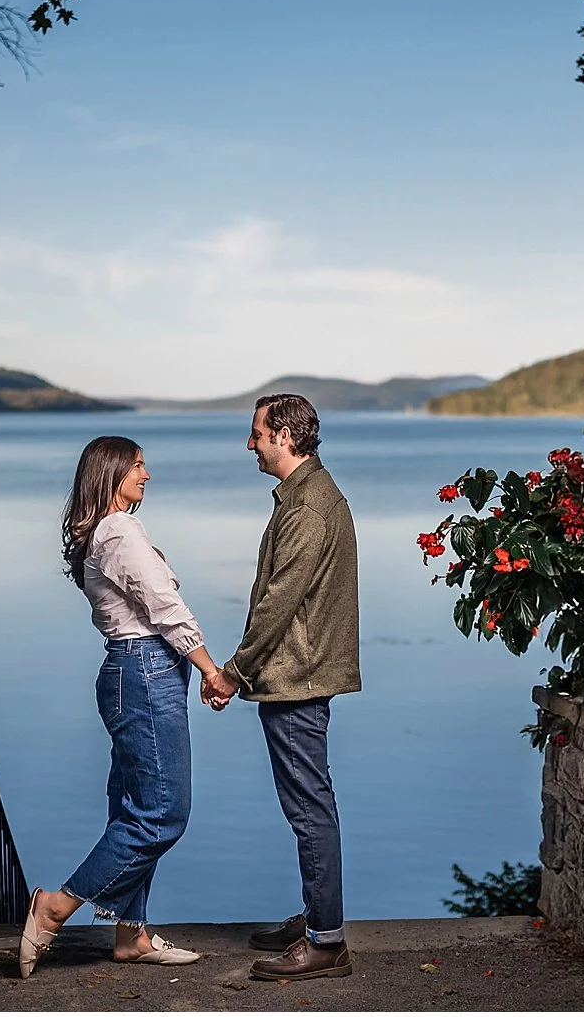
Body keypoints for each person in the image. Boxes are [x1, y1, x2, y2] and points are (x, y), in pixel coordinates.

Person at [19, 435, 235, 979]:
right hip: (145, 670)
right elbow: (165, 605)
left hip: (133, 670)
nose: (147, 474)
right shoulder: (118, 530)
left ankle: (130, 934)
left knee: (134, 807)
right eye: (138, 465)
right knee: (163, 813)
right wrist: (211, 668)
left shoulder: (101, 532)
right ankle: (56, 905)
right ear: (113, 472)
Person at [204, 393, 361, 981]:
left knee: (309, 811)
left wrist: (229, 673)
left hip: (296, 680)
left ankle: (326, 943)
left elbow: (277, 607)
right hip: (299, 674)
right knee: (309, 806)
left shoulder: (308, 509)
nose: (251, 444)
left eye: (257, 433)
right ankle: (319, 917)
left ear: (285, 435)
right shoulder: (306, 498)